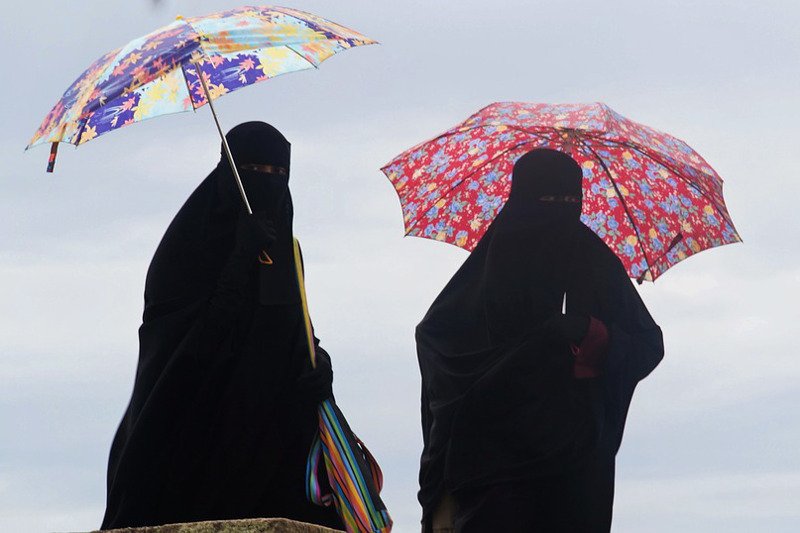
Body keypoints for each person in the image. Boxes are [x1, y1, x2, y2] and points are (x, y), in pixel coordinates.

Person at [102, 122, 342, 530]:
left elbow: (292, 325)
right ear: (228, 173)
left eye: (279, 174)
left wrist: (319, 361)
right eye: (253, 170)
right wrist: (238, 259)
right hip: (198, 441)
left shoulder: (282, 242)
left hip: (273, 444)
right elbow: (183, 350)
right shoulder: (186, 247)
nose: (267, 182)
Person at [415, 148, 664, 532]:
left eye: (570, 201)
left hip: (574, 469)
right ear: (518, 200)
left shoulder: (592, 259)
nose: (560, 212)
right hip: (489, 474)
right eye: (547, 200)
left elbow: (646, 344)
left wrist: (587, 332)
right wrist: (438, 494)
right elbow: (439, 357)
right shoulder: (483, 274)